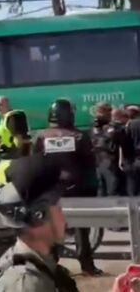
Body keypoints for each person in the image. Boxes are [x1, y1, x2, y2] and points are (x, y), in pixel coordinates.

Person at [0, 154, 79, 292]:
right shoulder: (25, 285)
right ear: (38, 216)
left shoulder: (37, 265)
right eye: (58, 208)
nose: (64, 218)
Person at [32, 98, 102, 276]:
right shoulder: (79, 136)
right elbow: (90, 164)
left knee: (51, 228)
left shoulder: (41, 136)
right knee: (81, 229)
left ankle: (51, 265)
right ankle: (87, 265)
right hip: (75, 188)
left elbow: (34, 163)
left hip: (50, 190)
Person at [92, 102, 123, 197]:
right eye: (97, 112)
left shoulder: (114, 126)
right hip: (99, 162)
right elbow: (93, 140)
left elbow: (110, 138)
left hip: (110, 162)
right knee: (101, 189)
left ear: (108, 113)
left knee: (112, 190)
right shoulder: (96, 127)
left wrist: (106, 127)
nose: (98, 115)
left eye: (100, 112)